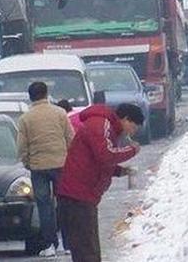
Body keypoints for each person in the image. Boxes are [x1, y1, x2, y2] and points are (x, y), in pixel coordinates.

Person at [57, 103, 143, 262]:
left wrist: (119, 171)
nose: (132, 133)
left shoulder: (107, 128)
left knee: (88, 247)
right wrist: (132, 150)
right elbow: (105, 155)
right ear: (126, 119)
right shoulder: (100, 124)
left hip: (84, 195)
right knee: (86, 249)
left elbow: (98, 161)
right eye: (133, 127)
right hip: (77, 194)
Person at [17, 82, 75, 257]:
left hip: (38, 166)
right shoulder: (60, 113)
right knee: (64, 204)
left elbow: (22, 146)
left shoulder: (25, 118)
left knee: (44, 207)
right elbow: (70, 137)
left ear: (30, 97)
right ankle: (66, 244)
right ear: (46, 94)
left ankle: (49, 244)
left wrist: (28, 162)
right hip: (61, 164)